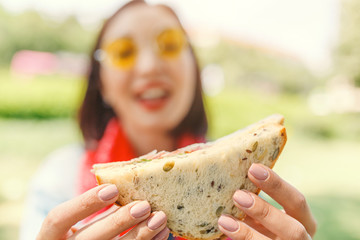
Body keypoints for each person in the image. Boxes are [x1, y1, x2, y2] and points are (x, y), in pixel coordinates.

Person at [20, 1, 317, 239]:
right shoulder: (58, 180)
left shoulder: (248, 183)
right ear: (103, 85)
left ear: (194, 69)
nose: (149, 66)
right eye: (123, 52)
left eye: (170, 44)